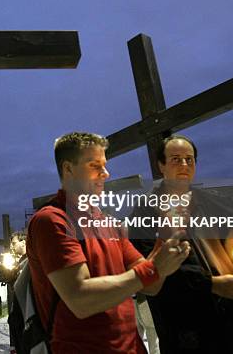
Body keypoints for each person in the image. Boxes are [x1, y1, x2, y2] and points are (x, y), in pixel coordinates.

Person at [27, 132, 191, 353]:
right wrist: (152, 269)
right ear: (68, 169)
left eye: (104, 165)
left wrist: (166, 234)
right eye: (95, 165)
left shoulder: (110, 224)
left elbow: (152, 286)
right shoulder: (52, 220)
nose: (106, 173)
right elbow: (80, 299)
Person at [129, 134, 233, 354]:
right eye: (176, 159)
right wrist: (210, 284)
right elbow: (148, 270)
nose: (184, 164)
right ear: (161, 165)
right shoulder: (146, 211)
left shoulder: (216, 203)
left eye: (190, 159)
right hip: (188, 330)